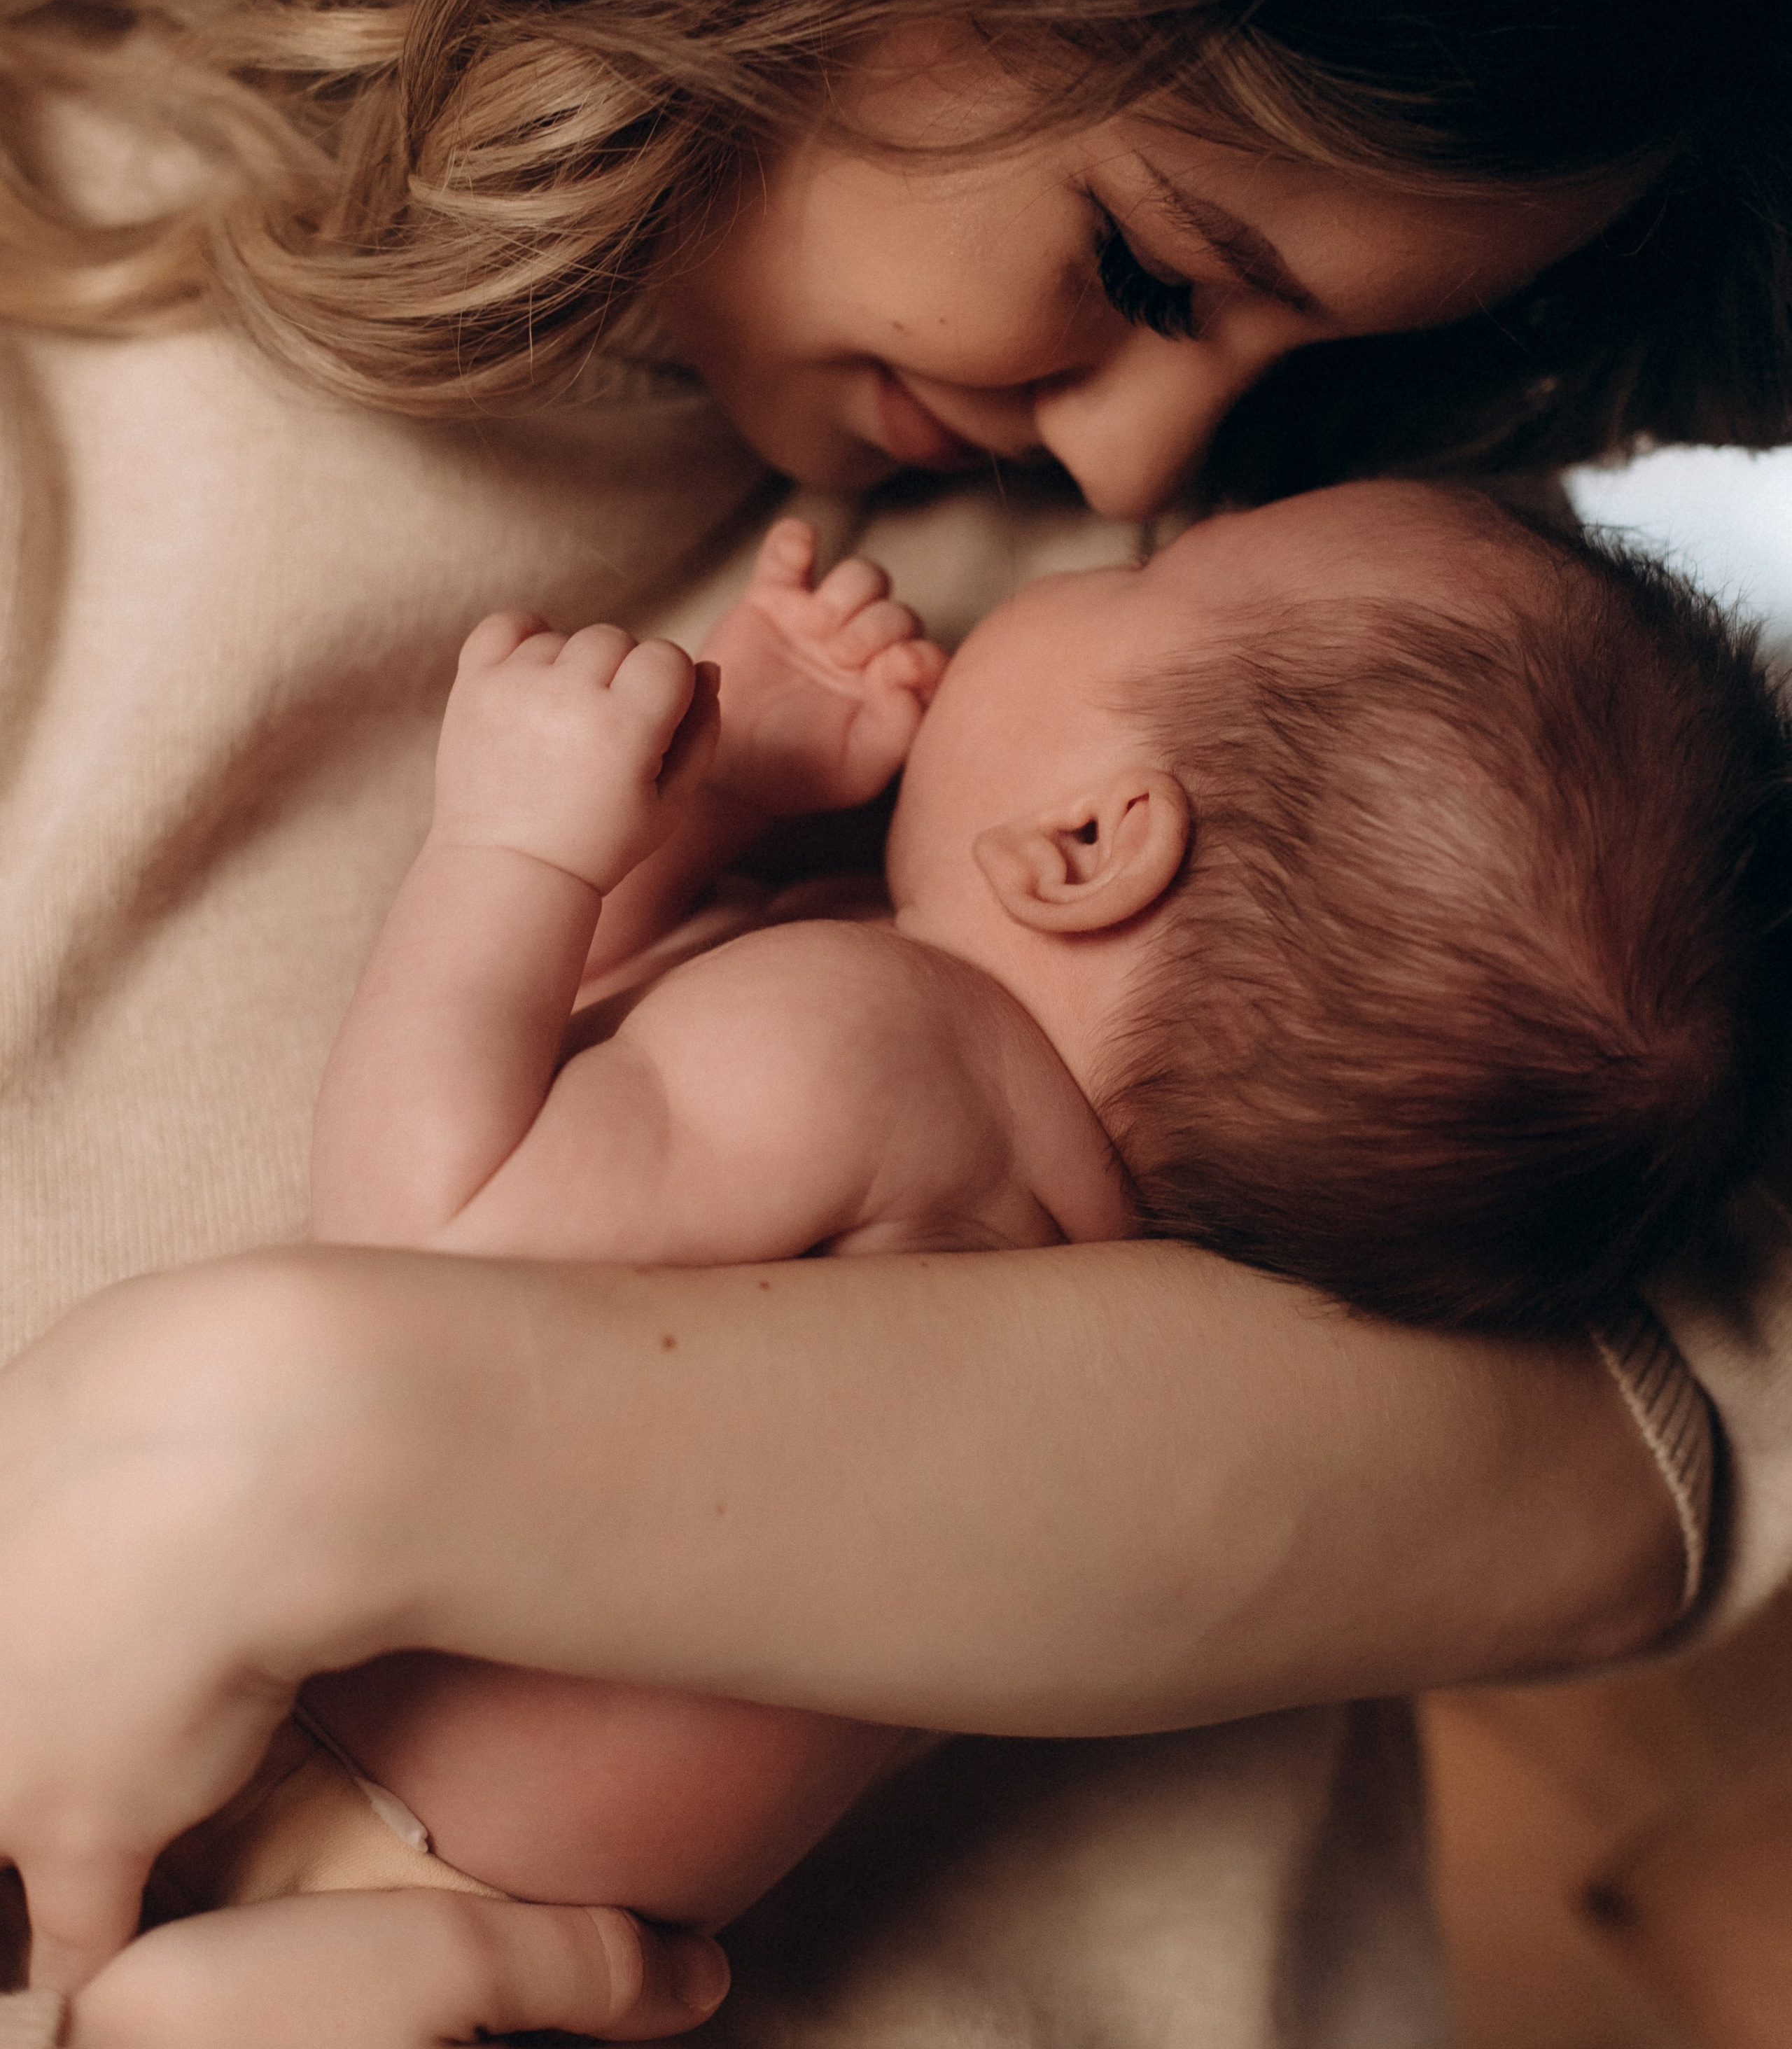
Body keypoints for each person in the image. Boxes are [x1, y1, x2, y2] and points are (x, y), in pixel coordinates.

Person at [2, 0, 1791, 2039]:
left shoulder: (1334, 632)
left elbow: (1675, 1447)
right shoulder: (68, 371)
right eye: (1163, 266)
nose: (1155, 459)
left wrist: (297, 1442)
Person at [144, 479, 1789, 1971]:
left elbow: (431, 1258)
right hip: (466, 1924)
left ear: (1087, 844)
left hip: (289, 1797)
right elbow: (611, 1104)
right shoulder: (1066, 1240)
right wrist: (716, 810)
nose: (1081, 558)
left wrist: (507, 833)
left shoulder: (853, 1038)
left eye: (1152, 575)